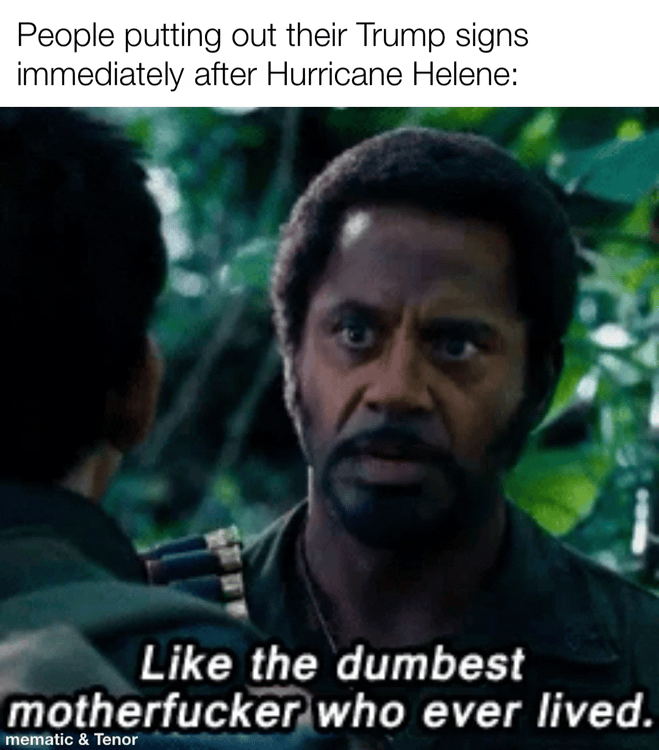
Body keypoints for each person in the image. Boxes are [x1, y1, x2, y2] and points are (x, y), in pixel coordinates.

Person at [155, 128, 659, 748]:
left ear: (538, 385)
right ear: (293, 364)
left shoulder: (641, 664)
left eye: (456, 345)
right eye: (355, 334)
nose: (395, 390)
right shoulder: (148, 636)